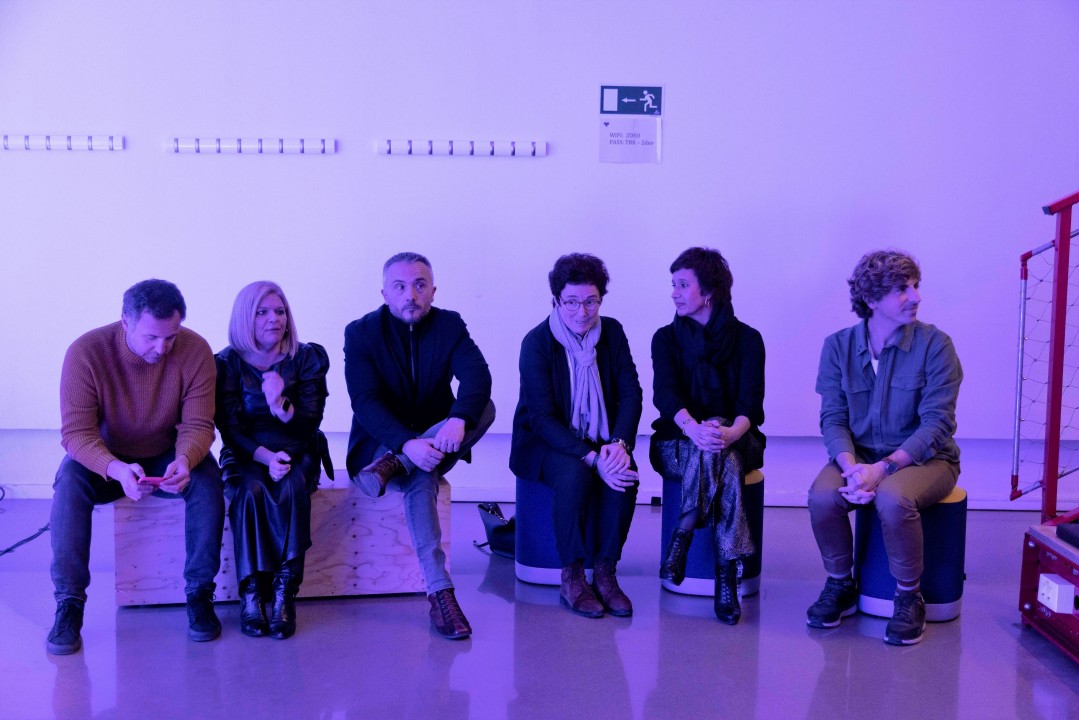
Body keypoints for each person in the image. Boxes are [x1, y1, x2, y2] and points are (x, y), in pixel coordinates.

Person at [46, 279, 224, 655]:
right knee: (69, 482)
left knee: (208, 479)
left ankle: (199, 595)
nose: (162, 348)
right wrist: (115, 469)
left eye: (171, 337)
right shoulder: (86, 353)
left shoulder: (195, 351)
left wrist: (185, 459)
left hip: (167, 454)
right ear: (124, 322)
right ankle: (69, 602)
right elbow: (76, 434)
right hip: (107, 458)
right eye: (151, 337)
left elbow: (198, 425)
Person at [806, 250, 962, 645]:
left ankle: (909, 596)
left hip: (927, 459)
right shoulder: (837, 347)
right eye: (901, 289)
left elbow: (937, 424)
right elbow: (833, 418)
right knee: (823, 496)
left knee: (892, 498)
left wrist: (882, 469)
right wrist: (851, 468)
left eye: (915, 286)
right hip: (858, 456)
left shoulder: (936, 345)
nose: (915, 297)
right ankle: (840, 584)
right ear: (872, 299)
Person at [344, 252, 495, 640]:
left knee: (484, 408)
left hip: (436, 441)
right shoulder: (361, 333)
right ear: (384, 293)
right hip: (379, 446)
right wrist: (405, 444)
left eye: (419, 285)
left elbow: (477, 376)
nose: (410, 295)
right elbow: (365, 402)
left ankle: (398, 464)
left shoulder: (449, 325)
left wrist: (459, 418)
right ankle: (441, 594)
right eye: (399, 286)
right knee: (421, 480)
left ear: (433, 291)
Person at [511, 253, 643, 618]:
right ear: (556, 300)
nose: (582, 312)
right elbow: (541, 418)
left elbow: (631, 393)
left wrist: (619, 445)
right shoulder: (537, 343)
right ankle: (571, 576)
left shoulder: (612, 332)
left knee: (625, 473)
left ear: (600, 299)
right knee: (574, 474)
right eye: (571, 302)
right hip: (544, 441)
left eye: (591, 301)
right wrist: (593, 458)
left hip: (601, 436)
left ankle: (605, 573)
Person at [650, 247, 765, 625]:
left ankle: (682, 534)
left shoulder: (748, 340)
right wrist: (694, 428)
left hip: (738, 438)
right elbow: (665, 395)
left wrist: (727, 432)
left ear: (710, 292)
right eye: (673, 285)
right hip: (677, 440)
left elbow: (750, 403)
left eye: (683, 285)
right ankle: (727, 576)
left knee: (723, 451)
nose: (674, 293)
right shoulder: (665, 339)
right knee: (722, 460)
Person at [215, 281, 332, 640]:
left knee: (292, 485)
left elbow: (311, 422)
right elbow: (231, 430)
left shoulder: (307, 357)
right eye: (262, 312)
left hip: (298, 448)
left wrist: (280, 405)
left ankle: (284, 592)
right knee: (250, 491)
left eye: (279, 311)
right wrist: (266, 458)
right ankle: (252, 593)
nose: (274, 319)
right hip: (248, 452)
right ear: (245, 318)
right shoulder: (227, 364)